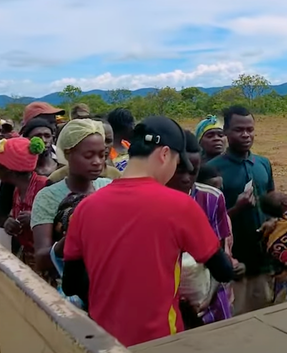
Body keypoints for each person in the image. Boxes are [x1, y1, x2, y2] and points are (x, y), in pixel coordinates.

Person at [58, 116, 236, 346]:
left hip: (104, 342)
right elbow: (223, 271)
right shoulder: (180, 206)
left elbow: (70, 284)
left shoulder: (86, 208)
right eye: (176, 162)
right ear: (164, 154)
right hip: (161, 341)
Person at [206, 106, 276, 315]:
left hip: (265, 262)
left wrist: (273, 221)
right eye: (239, 130)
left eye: (250, 129)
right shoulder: (213, 170)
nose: (246, 135)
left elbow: (272, 203)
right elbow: (207, 222)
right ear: (226, 132)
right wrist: (236, 209)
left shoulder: (263, 164)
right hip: (234, 266)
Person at [166, 131, 234, 327]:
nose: (186, 178)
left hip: (209, 300)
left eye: (193, 171)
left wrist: (207, 297)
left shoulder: (211, 198)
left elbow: (220, 255)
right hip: (168, 303)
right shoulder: (151, 202)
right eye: (179, 170)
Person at [31, 119, 114, 274]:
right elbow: (41, 259)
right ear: (68, 154)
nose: (97, 162)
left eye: (102, 155)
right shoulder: (48, 197)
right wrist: (75, 236)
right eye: (89, 156)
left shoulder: (110, 188)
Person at [0, 137, 49, 267]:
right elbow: (2, 216)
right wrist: (8, 222)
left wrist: (36, 219)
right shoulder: (14, 188)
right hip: (26, 256)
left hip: (46, 261)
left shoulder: (45, 187)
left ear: (8, 170)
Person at [107, 107, 135, 172]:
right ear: (124, 127)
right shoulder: (107, 151)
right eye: (131, 124)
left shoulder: (127, 144)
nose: (133, 128)